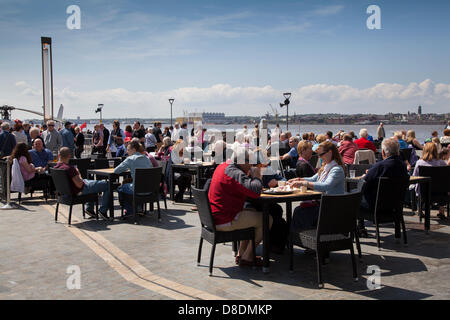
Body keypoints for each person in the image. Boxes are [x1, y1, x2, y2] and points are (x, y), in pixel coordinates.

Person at [209, 148, 272, 266]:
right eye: (250, 162)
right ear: (243, 161)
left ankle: (242, 253)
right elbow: (255, 191)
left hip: (216, 216)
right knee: (267, 219)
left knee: (251, 210)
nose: (251, 165)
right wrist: (257, 176)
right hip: (225, 219)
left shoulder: (223, 166)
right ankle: (247, 257)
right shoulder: (234, 172)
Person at [288, 141, 346, 231]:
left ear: (330, 152)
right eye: (318, 155)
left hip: (330, 209)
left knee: (299, 212)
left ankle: (301, 238)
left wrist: (303, 183)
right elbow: (313, 179)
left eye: (321, 154)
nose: (320, 157)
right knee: (299, 210)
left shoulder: (336, 169)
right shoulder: (326, 167)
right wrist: (299, 179)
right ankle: (296, 238)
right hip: (323, 205)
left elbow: (326, 185)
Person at [358, 138, 409, 236]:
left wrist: (365, 176)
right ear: (398, 151)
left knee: (355, 199)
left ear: (383, 152)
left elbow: (365, 183)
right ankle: (397, 234)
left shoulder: (380, 166)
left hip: (376, 206)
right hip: (395, 205)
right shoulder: (402, 166)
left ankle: (360, 229)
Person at [55, 147, 110, 219]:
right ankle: (103, 211)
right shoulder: (69, 168)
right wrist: (78, 174)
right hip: (79, 190)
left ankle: (89, 209)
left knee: (91, 182)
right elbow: (80, 185)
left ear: (59, 155)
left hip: (66, 192)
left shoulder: (56, 167)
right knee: (107, 185)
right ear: (69, 156)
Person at [114, 140, 152, 215]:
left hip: (137, 190)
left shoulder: (130, 159)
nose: (127, 152)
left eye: (128, 150)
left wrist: (128, 166)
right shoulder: (147, 159)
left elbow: (116, 171)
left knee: (121, 188)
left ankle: (130, 210)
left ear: (134, 150)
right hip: (149, 190)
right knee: (134, 184)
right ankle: (138, 208)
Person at [412, 142, 448, 219]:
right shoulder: (442, 162)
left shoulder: (419, 163)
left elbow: (415, 176)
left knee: (416, 185)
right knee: (443, 184)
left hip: (423, 191)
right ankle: (441, 211)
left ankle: (420, 210)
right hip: (439, 191)